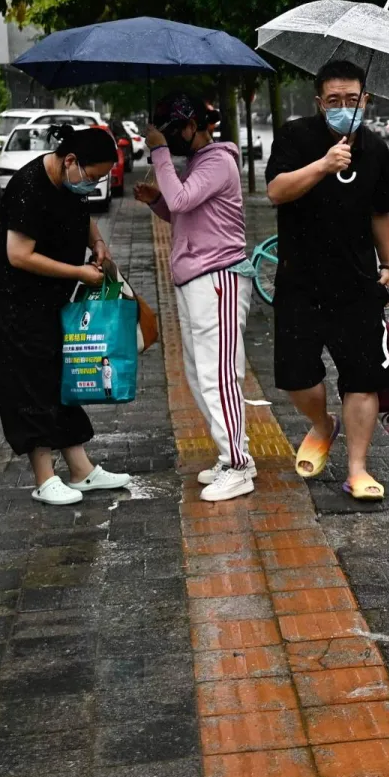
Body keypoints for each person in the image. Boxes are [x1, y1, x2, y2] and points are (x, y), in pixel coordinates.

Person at [265, 60, 389, 498]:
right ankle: (323, 424)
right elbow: (276, 191)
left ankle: (358, 469)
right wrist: (323, 165)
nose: (344, 108)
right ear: (320, 103)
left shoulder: (376, 149)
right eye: (334, 100)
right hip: (299, 281)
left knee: (363, 378)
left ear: (367, 100)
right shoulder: (295, 137)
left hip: (357, 282)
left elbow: (381, 213)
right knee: (296, 376)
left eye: (353, 99)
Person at [0, 124, 133, 506]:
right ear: (70, 161)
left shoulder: (69, 184)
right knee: (30, 384)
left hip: (52, 302)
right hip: (15, 305)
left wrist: (97, 243)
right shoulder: (28, 187)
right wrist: (79, 272)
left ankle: (81, 470)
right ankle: (44, 477)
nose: (93, 184)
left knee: (58, 379)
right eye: (93, 176)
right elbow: (19, 255)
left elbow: (83, 220)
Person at [135, 93, 254, 503]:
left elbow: (183, 199)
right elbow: (184, 212)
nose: (170, 139)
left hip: (217, 279)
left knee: (217, 376)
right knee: (198, 373)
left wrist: (159, 154)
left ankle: (238, 465)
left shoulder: (218, 161)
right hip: (196, 279)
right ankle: (231, 455)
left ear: (196, 126)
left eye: (174, 131)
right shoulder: (198, 164)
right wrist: (156, 201)